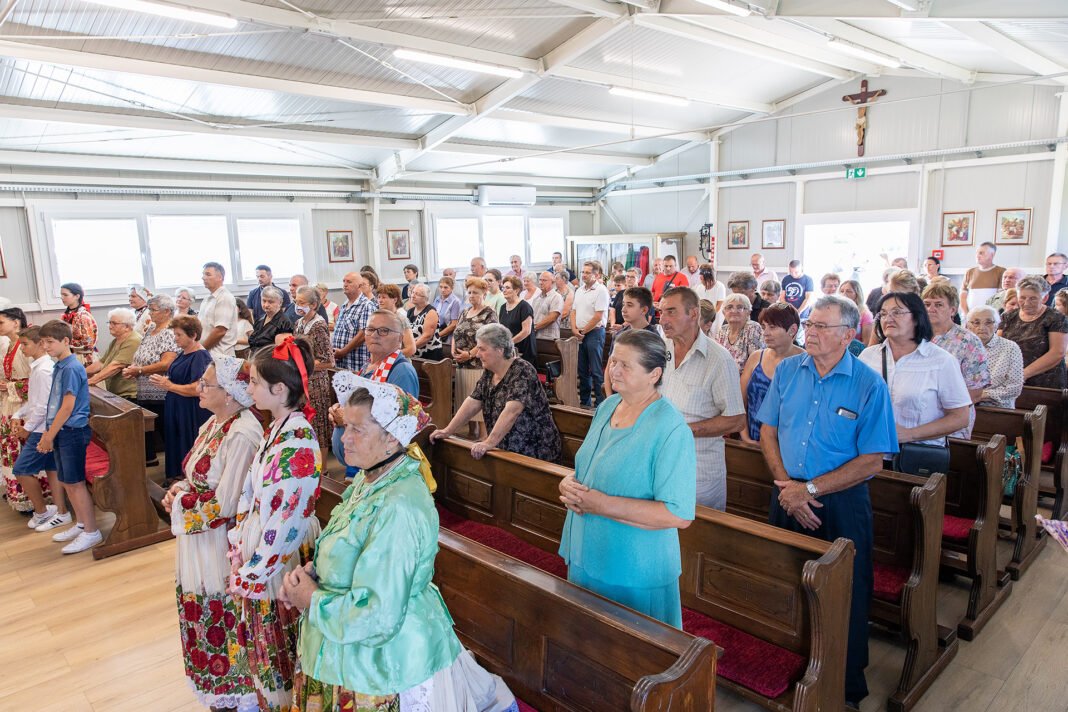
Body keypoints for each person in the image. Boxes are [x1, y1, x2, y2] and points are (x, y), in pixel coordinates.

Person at [284, 379, 519, 712]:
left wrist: (311, 599)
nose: (344, 438)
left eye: (357, 430)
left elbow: (378, 614)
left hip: (385, 662)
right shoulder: (370, 480)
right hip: (347, 646)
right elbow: (348, 548)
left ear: (392, 437)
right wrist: (313, 574)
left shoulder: (399, 504)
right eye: (345, 426)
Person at [756, 295, 897, 708]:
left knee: (844, 594)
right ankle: (789, 669)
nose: (810, 333)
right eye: (809, 324)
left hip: (840, 502)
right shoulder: (787, 370)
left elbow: (872, 460)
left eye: (821, 327)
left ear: (847, 335)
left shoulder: (868, 384)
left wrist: (810, 490)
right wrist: (788, 487)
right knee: (784, 582)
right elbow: (767, 432)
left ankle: (844, 684)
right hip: (785, 492)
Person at [558, 329, 696, 628]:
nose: (614, 370)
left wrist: (602, 504)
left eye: (625, 365)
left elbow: (678, 513)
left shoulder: (670, 428)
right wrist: (568, 482)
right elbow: (594, 466)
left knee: (630, 656)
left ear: (654, 374)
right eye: (612, 361)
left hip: (634, 564)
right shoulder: (608, 406)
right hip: (586, 547)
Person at [161, 356, 262, 712]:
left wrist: (179, 501)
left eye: (208, 384)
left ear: (232, 394)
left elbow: (226, 505)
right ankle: (214, 684)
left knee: (221, 609)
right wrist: (181, 487)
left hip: (221, 543)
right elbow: (197, 473)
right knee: (199, 602)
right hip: (197, 537)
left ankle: (239, 691)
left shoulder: (242, 433)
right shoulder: (214, 422)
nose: (200, 388)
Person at [228, 337, 322, 710]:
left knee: (279, 639)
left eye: (253, 381)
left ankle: (282, 702)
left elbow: (285, 520)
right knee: (263, 638)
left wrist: (253, 571)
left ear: (279, 389)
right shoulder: (278, 428)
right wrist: (238, 542)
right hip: (263, 546)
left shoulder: (296, 442)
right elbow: (253, 496)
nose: (248, 388)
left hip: (280, 554)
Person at [658, 288, 745, 510]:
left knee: (697, 538)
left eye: (671, 312)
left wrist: (684, 431)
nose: (663, 320)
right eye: (661, 313)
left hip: (698, 471)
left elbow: (736, 420)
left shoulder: (719, 360)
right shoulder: (660, 350)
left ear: (694, 314)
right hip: (661, 463)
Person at [860, 293, 971, 462]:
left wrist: (909, 434)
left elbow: (960, 417)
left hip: (915, 456)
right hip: (869, 454)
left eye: (896, 312)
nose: (888, 318)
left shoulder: (941, 361)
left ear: (917, 318)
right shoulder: (868, 357)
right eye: (883, 314)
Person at [432, 323, 561, 462]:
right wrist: (448, 430)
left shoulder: (523, 370)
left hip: (534, 450)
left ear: (499, 350)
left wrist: (489, 442)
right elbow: (473, 401)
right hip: (506, 447)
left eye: (482, 349)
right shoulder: (489, 371)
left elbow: (512, 411)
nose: (477, 354)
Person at [37, 319, 103, 554]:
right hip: (61, 430)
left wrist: (48, 435)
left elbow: (67, 406)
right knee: (66, 480)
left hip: (72, 431)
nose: (46, 346)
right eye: (43, 342)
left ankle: (92, 532)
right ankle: (82, 523)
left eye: (50, 342)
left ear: (66, 341)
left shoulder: (72, 367)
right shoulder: (60, 365)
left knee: (75, 483)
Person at [13, 326, 67, 530]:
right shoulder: (38, 367)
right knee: (52, 469)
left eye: (25, 344)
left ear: (40, 344)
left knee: (22, 469)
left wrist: (27, 427)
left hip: (42, 429)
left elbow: (45, 406)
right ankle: (61, 511)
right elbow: (34, 401)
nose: (22, 349)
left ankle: (42, 511)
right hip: (41, 426)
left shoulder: (44, 370)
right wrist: (18, 414)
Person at [922, 282, 990, 439]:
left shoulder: (968, 341)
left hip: (951, 418)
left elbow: (975, 392)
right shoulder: (915, 336)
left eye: (938, 305)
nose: (931, 309)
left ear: (952, 310)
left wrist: (939, 412)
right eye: (927, 304)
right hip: (916, 415)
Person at [151, 316, 213, 483]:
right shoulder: (183, 353)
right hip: (177, 405)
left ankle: (188, 479)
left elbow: (197, 388)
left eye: (179, 335)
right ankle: (176, 477)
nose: (175, 338)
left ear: (193, 335)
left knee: (187, 441)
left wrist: (169, 385)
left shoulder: (200, 356)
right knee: (175, 440)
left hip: (190, 409)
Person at [2, 309, 52, 514]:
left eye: (1, 322)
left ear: (16, 323)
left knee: (24, 453)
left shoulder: (29, 350)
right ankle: (21, 494)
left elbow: (34, 385)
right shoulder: (12, 345)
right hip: (14, 407)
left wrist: (9, 387)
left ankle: (36, 500)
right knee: (12, 451)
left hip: (26, 408)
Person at [121, 295, 179, 465]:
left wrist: (139, 370)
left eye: (153, 310)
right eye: (149, 309)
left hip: (160, 393)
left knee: (167, 434)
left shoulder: (169, 331)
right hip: (145, 390)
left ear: (167, 311)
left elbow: (167, 363)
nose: (149, 313)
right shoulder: (151, 328)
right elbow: (143, 354)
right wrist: (133, 369)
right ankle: (151, 459)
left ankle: (175, 470)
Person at [740, 303, 803, 443]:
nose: (766, 333)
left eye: (772, 327)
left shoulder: (805, 362)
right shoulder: (756, 357)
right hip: (752, 439)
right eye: (764, 327)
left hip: (788, 446)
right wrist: (746, 438)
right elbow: (741, 402)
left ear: (792, 330)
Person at [998, 275, 1068, 388]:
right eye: (1022, 297)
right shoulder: (1007, 317)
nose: (1026, 303)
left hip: (1045, 382)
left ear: (1045, 298)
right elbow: (998, 346)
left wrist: (1023, 374)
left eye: (1033, 298)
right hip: (1010, 379)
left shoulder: (1056, 318)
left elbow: (1057, 353)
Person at [292, 286, 335, 451]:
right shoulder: (299, 323)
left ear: (314, 304)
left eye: (302, 302)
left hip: (316, 383)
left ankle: (322, 469)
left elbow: (328, 361)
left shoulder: (318, 325)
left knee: (317, 426)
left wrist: (304, 364)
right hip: (302, 381)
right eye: (296, 301)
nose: (298, 305)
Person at [452, 278, 498, 426]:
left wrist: (470, 354)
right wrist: (454, 350)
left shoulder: (489, 313)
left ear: (484, 293)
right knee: (466, 401)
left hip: (478, 363)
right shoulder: (465, 312)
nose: (471, 295)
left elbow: (489, 338)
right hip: (461, 364)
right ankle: (471, 433)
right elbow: (456, 332)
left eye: (475, 292)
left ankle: (483, 436)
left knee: (479, 402)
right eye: (469, 292)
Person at [966, 305, 1024, 409]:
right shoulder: (962, 347)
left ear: (997, 325)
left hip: (997, 409)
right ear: (968, 325)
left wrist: (980, 395)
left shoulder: (1010, 348)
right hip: (964, 406)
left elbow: (1014, 387)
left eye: (988, 322)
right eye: (976, 322)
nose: (982, 327)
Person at [574, 261, 610, 408]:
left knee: (595, 370)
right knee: (582, 370)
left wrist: (582, 331)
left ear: (596, 275)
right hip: (580, 333)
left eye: (588, 272)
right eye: (583, 272)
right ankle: (585, 402)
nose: (584, 275)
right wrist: (574, 329)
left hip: (594, 333)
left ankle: (600, 404)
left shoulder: (601, 290)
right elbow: (573, 311)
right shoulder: (579, 290)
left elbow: (598, 316)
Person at [85, 308, 142, 400]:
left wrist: (91, 381)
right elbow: (101, 363)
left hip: (130, 395)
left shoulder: (133, 341)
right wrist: (81, 373)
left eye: (114, 323)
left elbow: (116, 366)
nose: (110, 326)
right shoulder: (116, 340)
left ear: (127, 326)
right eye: (109, 323)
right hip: (118, 394)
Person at [332, 272, 375, 373]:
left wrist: (343, 351)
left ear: (359, 286)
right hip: (341, 362)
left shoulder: (366, 306)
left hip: (356, 363)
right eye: (344, 281)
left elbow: (363, 334)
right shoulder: (344, 305)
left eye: (349, 282)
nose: (345, 284)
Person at [715, 293, 765, 373]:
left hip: (744, 380)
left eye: (740, 307)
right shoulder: (722, 330)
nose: (734, 311)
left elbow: (756, 364)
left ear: (748, 312)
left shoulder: (753, 328)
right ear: (724, 312)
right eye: (730, 307)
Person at [199, 261, 238, 358]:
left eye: (208, 274)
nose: (203, 277)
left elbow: (220, 330)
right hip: (208, 354)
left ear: (220, 277)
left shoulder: (224, 297)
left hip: (220, 355)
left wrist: (201, 350)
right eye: (203, 274)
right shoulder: (207, 299)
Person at [498, 275, 537, 366]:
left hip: (524, 351)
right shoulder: (503, 307)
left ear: (516, 290)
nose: (504, 290)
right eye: (503, 287)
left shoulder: (524, 307)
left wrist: (510, 342)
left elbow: (526, 331)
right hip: (509, 350)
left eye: (507, 288)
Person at [960, 242, 1005, 314]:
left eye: (981, 253)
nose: (977, 256)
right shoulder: (970, 272)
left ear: (992, 255)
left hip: (991, 317)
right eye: (977, 253)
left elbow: (1001, 297)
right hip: (971, 316)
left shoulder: (1001, 271)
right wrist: (966, 314)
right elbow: (963, 297)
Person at [59, 282, 97, 365]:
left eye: (65, 295)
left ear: (77, 296)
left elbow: (89, 341)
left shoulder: (83, 316)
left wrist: (67, 342)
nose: (62, 297)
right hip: (72, 356)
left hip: (83, 358)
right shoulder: (67, 315)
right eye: (61, 295)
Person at [376, 283, 417, 357]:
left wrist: (389, 357)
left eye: (384, 297)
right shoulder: (379, 318)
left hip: (398, 362)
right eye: (379, 297)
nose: (380, 300)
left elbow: (411, 349)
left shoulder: (401, 319)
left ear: (394, 299)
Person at [248, 286, 294, 351]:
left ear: (280, 303)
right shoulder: (260, 319)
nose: (266, 305)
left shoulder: (284, 323)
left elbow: (282, 352)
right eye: (264, 301)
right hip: (256, 357)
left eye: (270, 302)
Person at [407, 283, 443, 360]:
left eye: (417, 294)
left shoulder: (431, 311)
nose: (413, 296)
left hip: (429, 355)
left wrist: (410, 348)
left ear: (425, 298)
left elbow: (427, 336)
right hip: (414, 353)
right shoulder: (410, 311)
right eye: (413, 292)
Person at [839, 279, 875, 344]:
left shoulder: (865, 314)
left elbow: (867, 342)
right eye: (841, 291)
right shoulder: (836, 312)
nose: (844, 294)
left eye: (849, 291)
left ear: (857, 294)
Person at [431, 275, 462, 346]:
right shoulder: (437, 299)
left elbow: (454, 324)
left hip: (447, 338)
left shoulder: (455, 302)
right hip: (435, 333)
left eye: (446, 287)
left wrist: (438, 335)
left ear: (452, 288)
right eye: (441, 287)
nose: (442, 290)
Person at [531, 271, 564, 340]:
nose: (540, 283)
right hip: (535, 336)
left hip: (549, 339)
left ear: (552, 282)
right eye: (540, 280)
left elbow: (552, 318)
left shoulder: (556, 297)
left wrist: (534, 328)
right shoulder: (536, 298)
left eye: (544, 280)